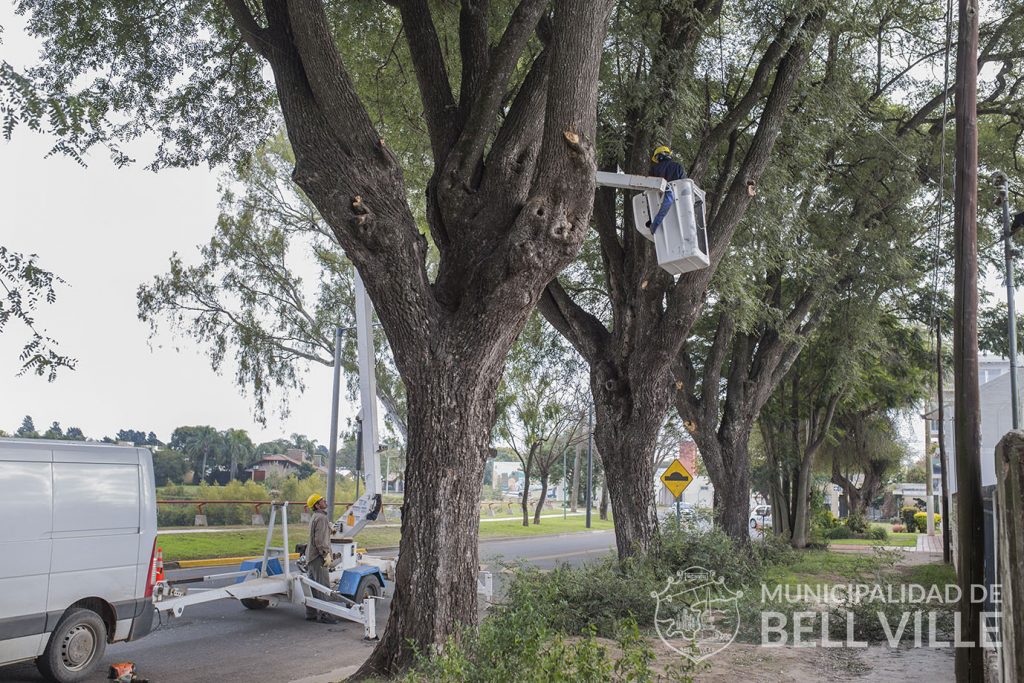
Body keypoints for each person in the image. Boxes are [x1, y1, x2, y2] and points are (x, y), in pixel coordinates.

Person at [305, 493, 339, 623]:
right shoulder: (321, 518)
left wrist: (329, 528)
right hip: (318, 557)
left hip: (311, 557)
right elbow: (320, 540)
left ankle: (311, 613)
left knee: (312, 586)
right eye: (322, 500)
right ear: (317, 505)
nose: (325, 501)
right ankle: (326, 615)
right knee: (323, 586)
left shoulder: (316, 517)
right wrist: (326, 554)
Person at [647, 146, 687, 234]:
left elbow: (650, 188)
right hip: (677, 202)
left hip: (658, 202)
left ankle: (653, 224)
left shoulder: (654, 169)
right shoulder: (677, 166)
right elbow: (683, 184)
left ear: (660, 156)